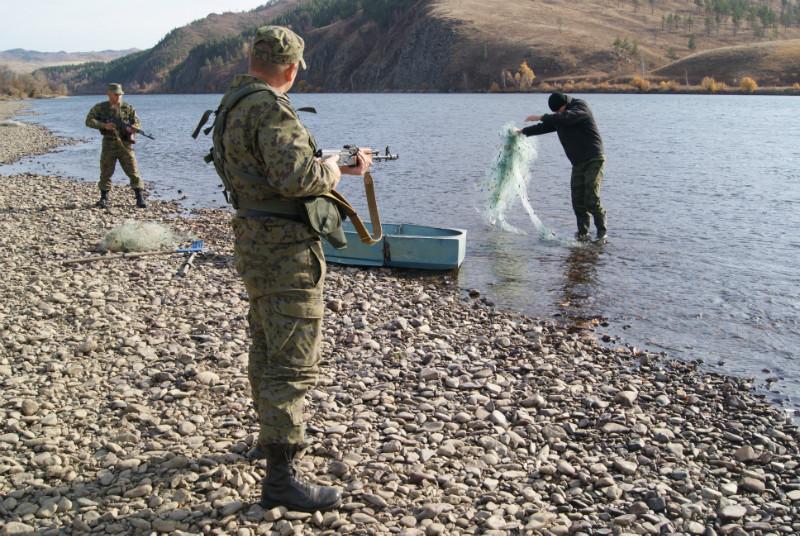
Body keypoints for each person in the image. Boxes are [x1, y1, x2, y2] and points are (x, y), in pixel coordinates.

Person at [215, 25, 371, 512]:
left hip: (255, 242)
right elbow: (297, 176)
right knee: (292, 364)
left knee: (266, 346)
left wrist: (328, 164)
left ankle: (269, 442)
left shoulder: (234, 103)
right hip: (285, 252)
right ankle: (281, 480)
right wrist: (333, 168)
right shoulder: (270, 106)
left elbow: (265, 171)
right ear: (292, 67)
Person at [519, 92, 607, 241]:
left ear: (565, 105)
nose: (559, 114)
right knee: (577, 200)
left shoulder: (580, 107)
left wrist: (541, 116)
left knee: (590, 197)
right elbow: (544, 127)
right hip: (578, 163)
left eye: (559, 111)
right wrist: (522, 132)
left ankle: (602, 233)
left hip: (593, 159)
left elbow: (567, 117)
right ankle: (583, 234)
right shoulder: (561, 116)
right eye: (557, 112)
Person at [85, 83, 147, 209]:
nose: (118, 97)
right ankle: (104, 198)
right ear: (109, 94)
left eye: (120, 95)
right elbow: (89, 121)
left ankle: (140, 198)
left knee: (133, 171)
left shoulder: (128, 108)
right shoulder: (100, 108)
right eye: (116, 95)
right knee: (106, 172)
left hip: (125, 144)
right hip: (109, 143)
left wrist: (134, 128)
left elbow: (137, 122)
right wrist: (104, 125)